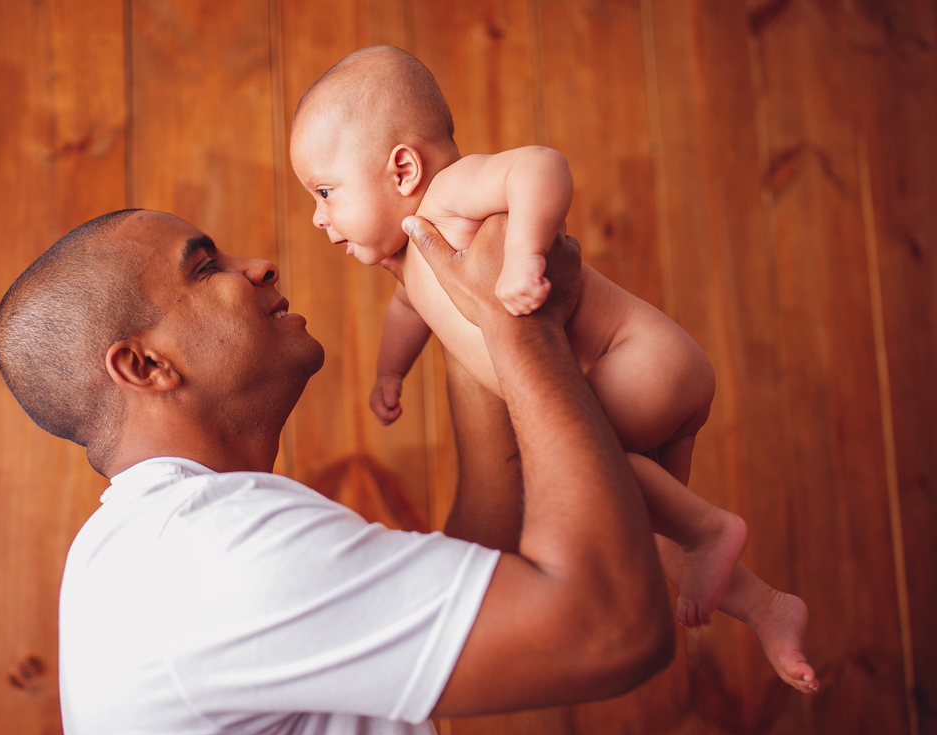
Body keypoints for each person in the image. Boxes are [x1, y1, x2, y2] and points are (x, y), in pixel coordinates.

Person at [0, 207, 674, 735]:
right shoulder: (209, 550)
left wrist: (468, 322)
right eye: (204, 269)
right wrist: (527, 329)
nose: (260, 265)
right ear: (144, 366)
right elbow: (610, 627)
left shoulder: (154, 546)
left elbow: (483, 583)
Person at [289, 45, 817, 692]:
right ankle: (766, 606)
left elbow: (541, 167)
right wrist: (389, 374)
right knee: (629, 517)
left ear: (402, 168)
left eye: (325, 191)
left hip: (640, 362)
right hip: (641, 387)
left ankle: (711, 531)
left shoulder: (450, 199)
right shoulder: (412, 260)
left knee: (580, 465)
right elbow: (408, 315)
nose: (317, 216)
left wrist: (524, 255)